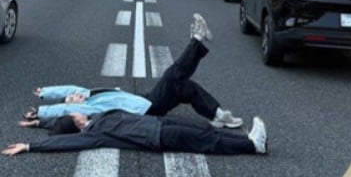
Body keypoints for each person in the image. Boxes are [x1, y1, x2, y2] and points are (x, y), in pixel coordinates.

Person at [23, 14, 242, 130]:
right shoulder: (90, 107)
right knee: (172, 75)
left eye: (76, 95)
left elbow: (70, 89)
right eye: (75, 100)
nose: (77, 96)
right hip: (146, 111)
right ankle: (197, 39)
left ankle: (218, 115)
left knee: (184, 86)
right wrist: (41, 112)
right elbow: (63, 109)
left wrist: (45, 91)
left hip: (144, 100)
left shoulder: (89, 94)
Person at [3, 110, 267, 156]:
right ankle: (252, 146)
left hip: (157, 124)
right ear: (77, 122)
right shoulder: (94, 134)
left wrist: (37, 123)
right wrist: (30, 147)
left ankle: (245, 139)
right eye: (76, 115)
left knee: (203, 131)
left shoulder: (95, 122)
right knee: (207, 142)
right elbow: (64, 143)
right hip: (157, 138)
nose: (80, 113)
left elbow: (56, 127)